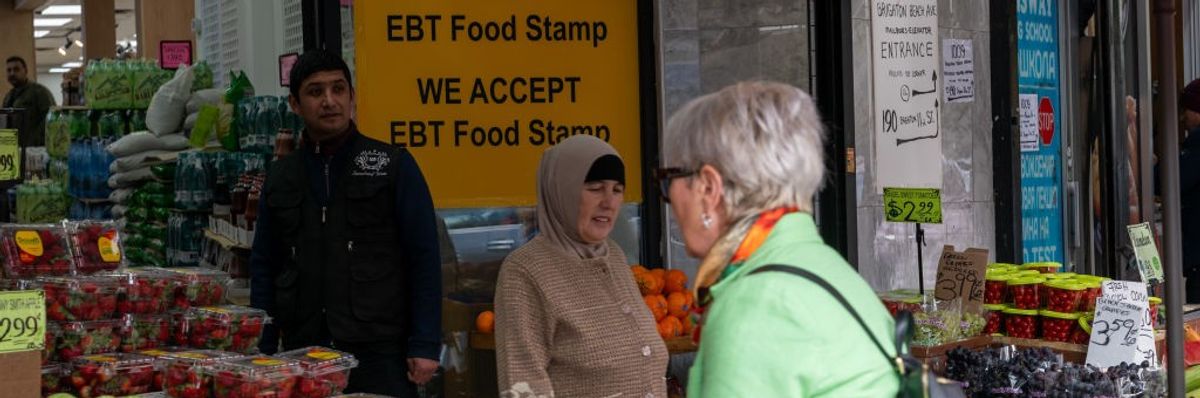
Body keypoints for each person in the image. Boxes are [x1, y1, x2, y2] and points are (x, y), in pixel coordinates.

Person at [662, 82, 899, 397]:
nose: (668, 200)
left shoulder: (756, 302)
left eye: (667, 180)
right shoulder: (822, 265)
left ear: (708, 188)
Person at [249, 50, 441, 397]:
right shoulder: (280, 177)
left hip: (380, 349)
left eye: (339, 89)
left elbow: (424, 257)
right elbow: (264, 264)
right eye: (315, 91)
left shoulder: (390, 164)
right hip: (304, 349)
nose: (329, 101)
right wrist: (262, 346)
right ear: (294, 103)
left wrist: (425, 342)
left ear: (353, 97)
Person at [494, 135, 668, 397]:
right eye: (595, 188)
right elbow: (524, 385)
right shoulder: (525, 272)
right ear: (562, 190)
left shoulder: (615, 257)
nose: (609, 202)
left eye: (617, 190)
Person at [1170, 78, 1200, 301]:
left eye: (1187, 110)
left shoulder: (1197, 144)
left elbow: (1172, 181)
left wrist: (1152, 166)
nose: (1183, 117)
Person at [3, 56, 56, 146]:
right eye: (9, 70)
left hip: (35, 150)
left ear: (25, 71)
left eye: (16, 69)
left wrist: (36, 141)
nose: (12, 73)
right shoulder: (8, 97)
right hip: (13, 150)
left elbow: (52, 119)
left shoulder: (39, 92)